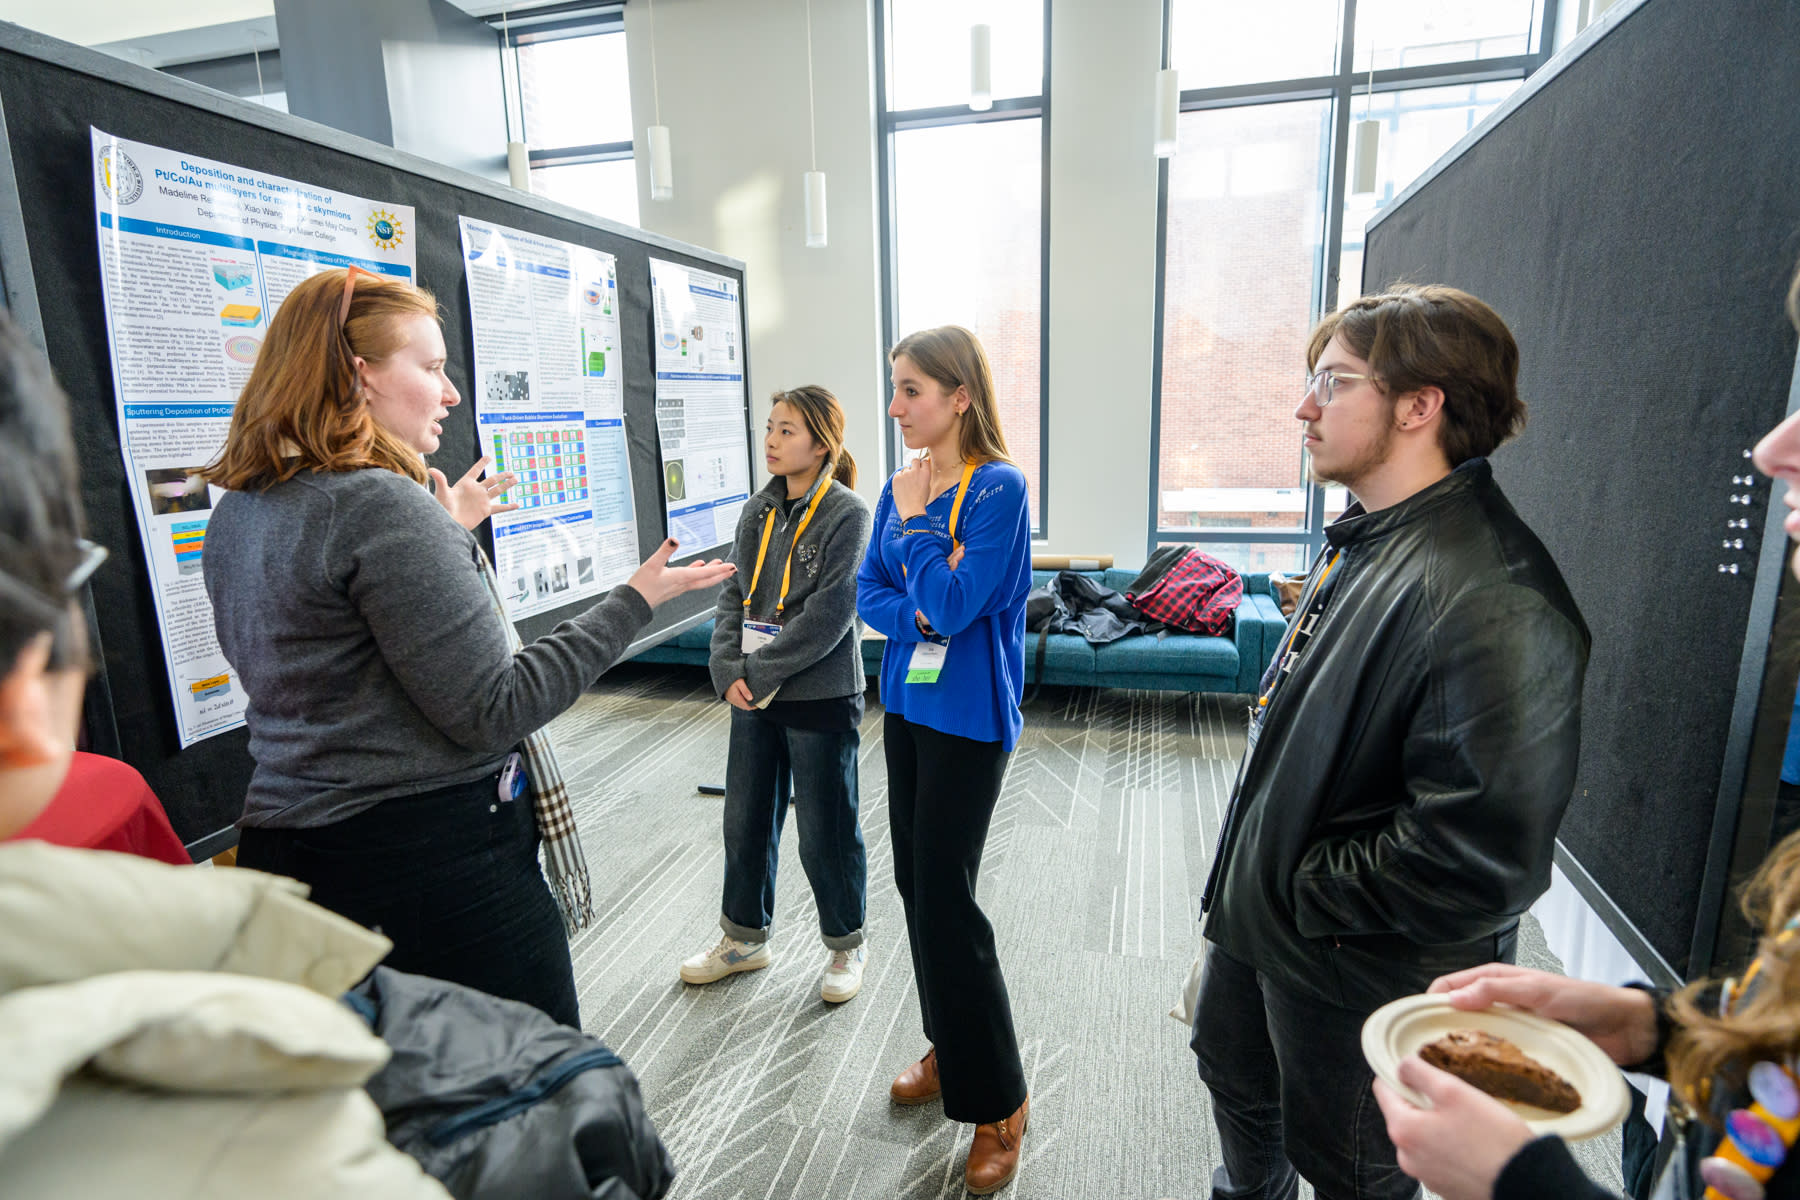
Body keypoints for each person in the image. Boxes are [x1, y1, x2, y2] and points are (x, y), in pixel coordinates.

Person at [201, 268, 733, 1028]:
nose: (451, 393)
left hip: (295, 857)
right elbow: (495, 707)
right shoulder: (380, 506)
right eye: (431, 367)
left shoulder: (246, 508)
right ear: (361, 376)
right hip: (426, 871)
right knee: (529, 1104)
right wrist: (634, 602)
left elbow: (343, 663)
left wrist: (442, 532)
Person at [1373, 269, 1800, 1200]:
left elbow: (1470, 832)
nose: (1773, 449)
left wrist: (1527, 1186)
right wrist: (1659, 1029)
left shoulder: (1498, 593)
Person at [1191, 284, 1591, 1200]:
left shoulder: (1494, 596)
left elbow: (1473, 858)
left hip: (1354, 969)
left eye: (1332, 382)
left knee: (1357, 1170)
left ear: (1420, 406)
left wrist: (1301, 884)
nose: (1304, 405)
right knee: (1241, 1096)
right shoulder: (1370, 540)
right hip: (1270, 931)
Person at [857, 326, 1034, 1195]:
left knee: (948, 900)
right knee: (914, 890)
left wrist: (924, 530)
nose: (895, 408)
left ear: (961, 395)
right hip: (907, 706)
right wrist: (926, 606)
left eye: (912, 390)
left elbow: (962, 602)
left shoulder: (999, 487)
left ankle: (1000, 1101)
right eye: (895, 388)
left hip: (968, 719)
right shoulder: (896, 487)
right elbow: (872, 595)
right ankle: (949, 1041)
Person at [678, 385, 874, 1003]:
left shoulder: (849, 513)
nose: (770, 440)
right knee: (745, 817)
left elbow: (832, 615)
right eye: (769, 428)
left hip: (817, 691)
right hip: (751, 691)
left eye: (786, 431)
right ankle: (744, 938)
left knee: (826, 828)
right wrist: (724, 665)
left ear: (822, 443)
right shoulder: (756, 510)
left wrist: (757, 673)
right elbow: (733, 595)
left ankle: (847, 945)